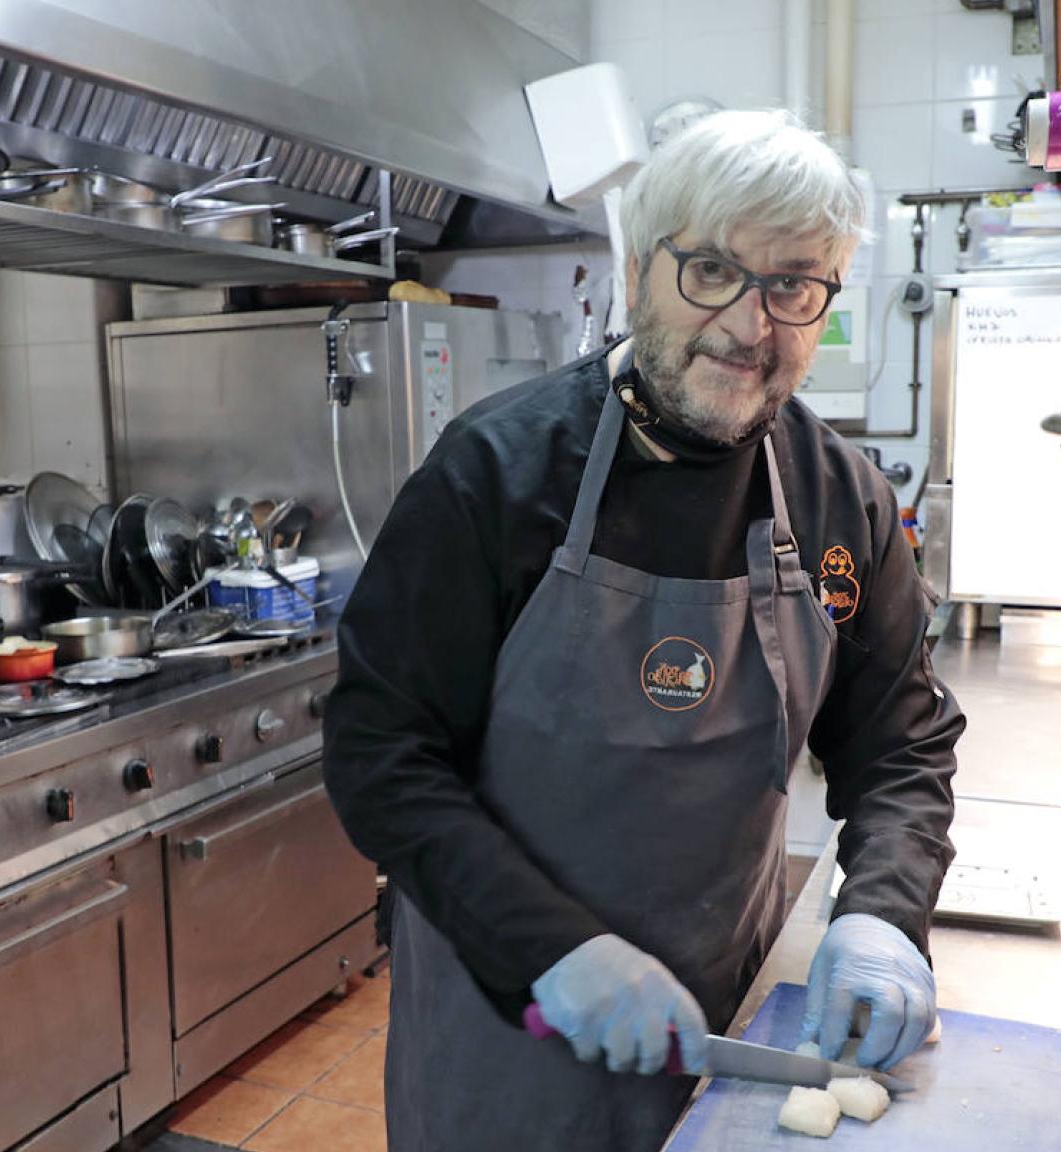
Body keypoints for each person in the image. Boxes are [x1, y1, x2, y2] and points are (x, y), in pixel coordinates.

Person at [322, 108, 963, 1152]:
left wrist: (885, 912)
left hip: (732, 1009)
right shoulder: (494, 475)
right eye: (710, 269)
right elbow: (380, 757)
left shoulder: (841, 497)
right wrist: (554, 948)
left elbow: (899, 742)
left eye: (794, 284)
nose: (751, 325)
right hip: (511, 1018)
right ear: (636, 270)